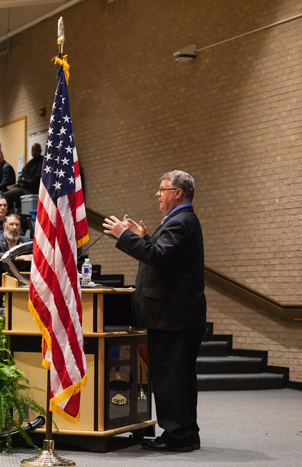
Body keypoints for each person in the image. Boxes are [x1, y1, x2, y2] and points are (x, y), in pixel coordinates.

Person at [102, 170, 206, 452]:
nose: (158, 194)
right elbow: (163, 257)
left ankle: (177, 435)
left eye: (162, 189)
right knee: (181, 377)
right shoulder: (182, 221)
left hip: (172, 316)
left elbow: (157, 256)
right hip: (179, 316)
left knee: (171, 378)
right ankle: (186, 433)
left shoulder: (180, 222)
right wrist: (143, 238)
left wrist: (124, 236)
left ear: (178, 193)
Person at [4, 143, 43, 212]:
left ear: (40, 150)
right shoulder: (30, 163)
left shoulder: (42, 162)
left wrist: (25, 182)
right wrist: (21, 181)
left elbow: (37, 179)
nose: (34, 152)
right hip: (23, 187)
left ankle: (6, 214)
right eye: (32, 150)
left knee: (8, 195)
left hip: (31, 190)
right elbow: (21, 175)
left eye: (35, 150)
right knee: (5, 192)